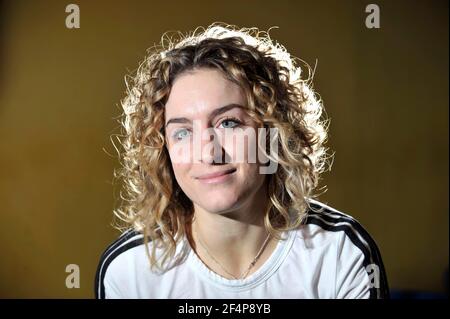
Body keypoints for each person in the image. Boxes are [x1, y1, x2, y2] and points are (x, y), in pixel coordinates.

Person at [95, 23, 389, 299]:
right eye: (183, 132)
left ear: (273, 132)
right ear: (162, 149)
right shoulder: (129, 271)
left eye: (229, 123)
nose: (208, 153)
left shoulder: (339, 252)